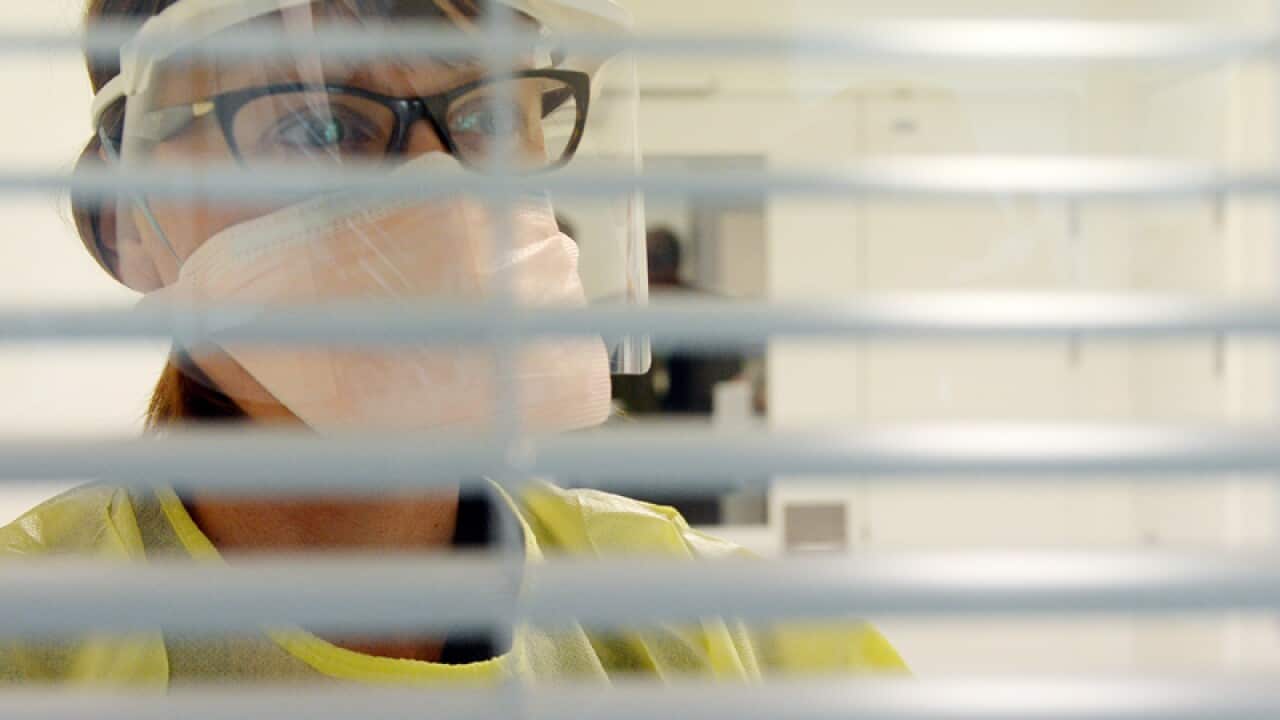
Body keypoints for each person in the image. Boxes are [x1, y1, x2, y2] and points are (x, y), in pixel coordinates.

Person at [0, 0, 905, 685]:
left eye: (482, 118)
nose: (443, 198)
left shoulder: (736, 646)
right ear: (131, 220)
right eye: (318, 127)